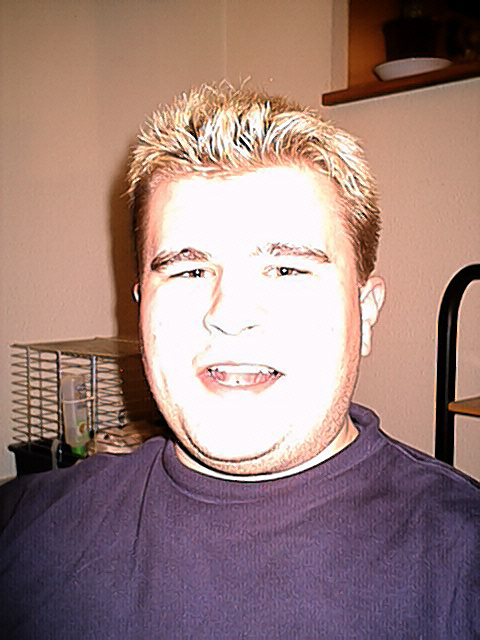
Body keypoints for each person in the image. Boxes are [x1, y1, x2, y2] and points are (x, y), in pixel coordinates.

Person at [0, 83, 478, 639]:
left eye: (286, 269)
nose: (229, 315)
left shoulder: (462, 565)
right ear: (140, 308)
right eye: (188, 270)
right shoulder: (24, 529)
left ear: (365, 312)